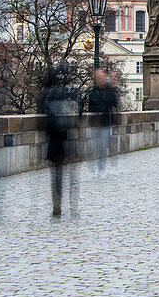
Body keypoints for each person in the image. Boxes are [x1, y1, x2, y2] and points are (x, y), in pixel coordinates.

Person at [39, 63, 81, 217]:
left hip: (54, 143)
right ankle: (72, 207)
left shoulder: (48, 98)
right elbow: (77, 115)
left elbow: (43, 122)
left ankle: (57, 206)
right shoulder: (67, 97)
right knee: (71, 177)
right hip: (66, 141)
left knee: (57, 177)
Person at [86, 68, 120, 179]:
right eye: (98, 77)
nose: (100, 79)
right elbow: (89, 107)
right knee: (91, 148)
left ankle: (101, 169)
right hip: (94, 123)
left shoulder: (109, 91)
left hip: (105, 122)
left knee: (102, 147)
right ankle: (92, 170)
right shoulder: (93, 91)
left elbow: (115, 104)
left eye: (102, 77)